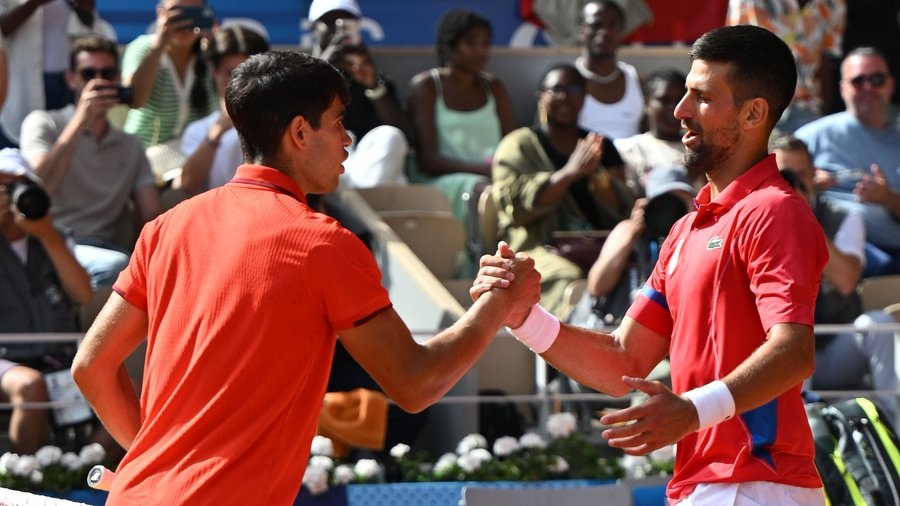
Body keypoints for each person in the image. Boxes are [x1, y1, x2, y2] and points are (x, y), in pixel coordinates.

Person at [71, 50, 539, 504]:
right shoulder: (324, 244)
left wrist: (154, 464)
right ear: (299, 131)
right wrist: (497, 305)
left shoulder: (165, 228)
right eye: (337, 122)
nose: (347, 139)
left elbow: (91, 367)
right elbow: (415, 384)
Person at [475, 25, 828, 504]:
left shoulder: (774, 209)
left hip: (758, 485)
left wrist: (692, 411)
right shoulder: (686, 231)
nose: (681, 110)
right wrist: (522, 316)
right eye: (685, 93)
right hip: (707, 484)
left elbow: (793, 353)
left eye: (702, 97)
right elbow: (625, 359)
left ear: (753, 114)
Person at [492, 63, 632, 318]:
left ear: (585, 97)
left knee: (638, 270)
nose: (566, 97)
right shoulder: (519, 145)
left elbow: (622, 208)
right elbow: (515, 209)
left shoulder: (601, 146)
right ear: (541, 96)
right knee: (568, 278)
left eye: (575, 89)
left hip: (601, 244)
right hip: (538, 247)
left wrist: (598, 178)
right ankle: (565, 348)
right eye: (556, 89)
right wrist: (569, 173)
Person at [19, 35, 160, 288]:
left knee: (128, 268)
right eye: (88, 74)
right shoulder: (43, 123)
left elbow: (151, 214)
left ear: (117, 79)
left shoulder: (130, 145)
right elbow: (39, 187)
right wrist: (80, 120)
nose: (98, 82)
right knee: (115, 267)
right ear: (71, 78)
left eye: (106, 73)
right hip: (52, 244)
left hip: (107, 249)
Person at [773, 135, 898, 418]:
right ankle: (800, 428)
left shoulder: (842, 216)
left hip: (833, 350)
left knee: (878, 324)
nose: (793, 181)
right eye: (784, 174)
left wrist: (804, 217)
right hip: (780, 355)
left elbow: (846, 281)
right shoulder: (753, 216)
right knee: (790, 334)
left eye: (800, 174)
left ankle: (895, 425)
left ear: (814, 173)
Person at [0, 148, 91, 453]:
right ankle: (23, 484)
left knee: (125, 390)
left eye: (19, 186)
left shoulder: (56, 236)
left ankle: (79, 472)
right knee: (30, 386)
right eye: (3, 187)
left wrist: (47, 235)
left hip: (57, 357)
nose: (12, 197)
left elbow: (82, 294)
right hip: (6, 361)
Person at [795, 47, 900, 276]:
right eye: (858, 81)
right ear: (843, 88)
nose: (868, 88)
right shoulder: (810, 137)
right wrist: (807, 182)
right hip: (836, 248)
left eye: (877, 79)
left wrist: (888, 197)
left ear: (890, 85)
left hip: (891, 251)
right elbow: (777, 186)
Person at [407, 8, 516, 223]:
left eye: (486, 43)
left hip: (495, 178)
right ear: (450, 46)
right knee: (487, 192)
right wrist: (485, 171)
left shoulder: (495, 87)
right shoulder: (426, 87)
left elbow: (513, 145)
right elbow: (428, 161)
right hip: (441, 182)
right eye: (471, 43)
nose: (481, 50)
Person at [307, 0, 414, 189]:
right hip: (323, 161)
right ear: (313, 27)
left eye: (346, 23)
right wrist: (324, 68)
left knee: (389, 137)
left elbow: (406, 137)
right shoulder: (298, 74)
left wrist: (372, 85)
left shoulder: (374, 76)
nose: (338, 30)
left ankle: (358, 208)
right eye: (330, 22)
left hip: (372, 167)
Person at [121, 0, 217, 180]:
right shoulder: (143, 48)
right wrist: (158, 47)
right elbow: (134, 100)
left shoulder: (209, 54)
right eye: (177, 12)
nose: (184, 22)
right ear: (161, 14)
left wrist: (217, 53)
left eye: (192, 13)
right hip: (143, 158)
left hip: (191, 158)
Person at [0, 0, 114, 145]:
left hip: (72, 83)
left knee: (71, 149)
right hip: (22, 89)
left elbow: (89, 20)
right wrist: (33, 4)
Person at [727, 0, 846, 133]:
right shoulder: (753, 2)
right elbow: (733, 55)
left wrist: (822, 117)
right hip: (755, 106)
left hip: (805, 109)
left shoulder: (834, 3)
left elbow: (825, 63)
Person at [178, 24, 268, 195]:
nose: (242, 82)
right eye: (232, 73)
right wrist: (217, 132)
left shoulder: (283, 121)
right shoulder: (198, 131)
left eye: (250, 72)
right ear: (215, 72)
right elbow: (187, 184)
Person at [612, 68, 693, 193]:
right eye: (664, 100)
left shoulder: (698, 147)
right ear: (646, 103)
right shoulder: (629, 149)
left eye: (679, 100)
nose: (673, 107)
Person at [575, 0, 645, 140]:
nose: (605, 32)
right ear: (581, 31)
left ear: (622, 31)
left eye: (612, 25)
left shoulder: (637, 80)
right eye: (596, 25)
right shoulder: (565, 81)